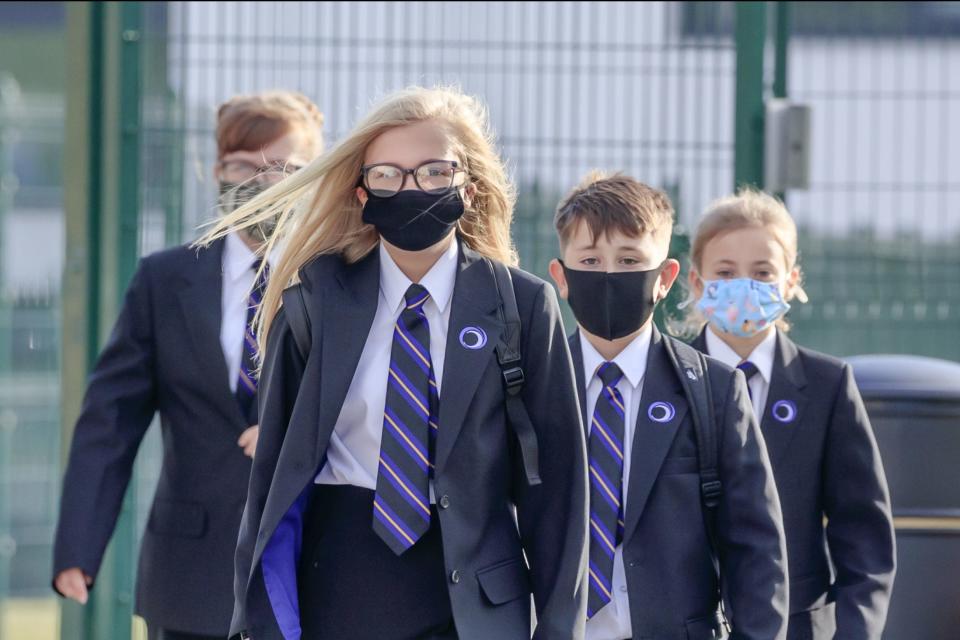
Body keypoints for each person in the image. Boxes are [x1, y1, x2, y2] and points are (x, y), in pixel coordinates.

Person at [201, 85, 589, 640]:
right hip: (339, 585)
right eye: (388, 174)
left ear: (469, 189)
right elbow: (273, 480)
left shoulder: (521, 304)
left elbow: (559, 493)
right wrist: (256, 618)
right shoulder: (314, 297)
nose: (411, 188)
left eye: (434, 172)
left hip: (474, 603)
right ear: (361, 193)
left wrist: (557, 630)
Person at [52, 91, 324, 640]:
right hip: (190, 573)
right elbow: (111, 418)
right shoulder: (165, 280)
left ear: (313, 176)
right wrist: (79, 545)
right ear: (216, 168)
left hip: (314, 560)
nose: (262, 182)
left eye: (285, 167)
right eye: (244, 164)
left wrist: (290, 429)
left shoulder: (342, 280)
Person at [546, 172, 790, 639]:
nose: (610, 275)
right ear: (561, 276)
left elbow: (755, 549)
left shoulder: (714, 390)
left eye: (630, 259)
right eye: (591, 259)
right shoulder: (535, 386)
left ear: (665, 278)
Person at [685, 189, 896, 639]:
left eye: (763, 273)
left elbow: (862, 536)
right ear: (696, 282)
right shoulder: (665, 378)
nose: (745, 285)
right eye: (725, 271)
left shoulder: (828, 385)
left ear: (791, 281)